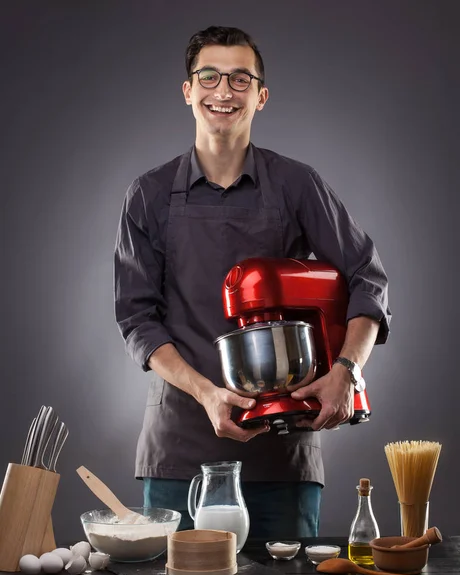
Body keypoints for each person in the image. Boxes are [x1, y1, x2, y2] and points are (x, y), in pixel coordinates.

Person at [114, 25, 391, 539]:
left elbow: (367, 279)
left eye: (240, 79)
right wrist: (206, 393)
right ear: (188, 90)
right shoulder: (148, 195)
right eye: (210, 76)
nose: (224, 91)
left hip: (281, 457)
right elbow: (136, 319)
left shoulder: (298, 185)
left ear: (261, 97)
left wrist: (347, 372)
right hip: (179, 452)